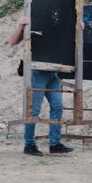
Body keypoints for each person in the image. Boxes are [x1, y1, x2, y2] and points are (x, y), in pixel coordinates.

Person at [9, 16, 74, 156]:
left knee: (57, 106)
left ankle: (55, 144)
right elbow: (12, 41)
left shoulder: (58, 20)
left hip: (53, 72)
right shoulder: (33, 18)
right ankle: (29, 145)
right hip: (36, 71)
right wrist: (20, 26)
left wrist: (79, 27)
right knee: (33, 110)